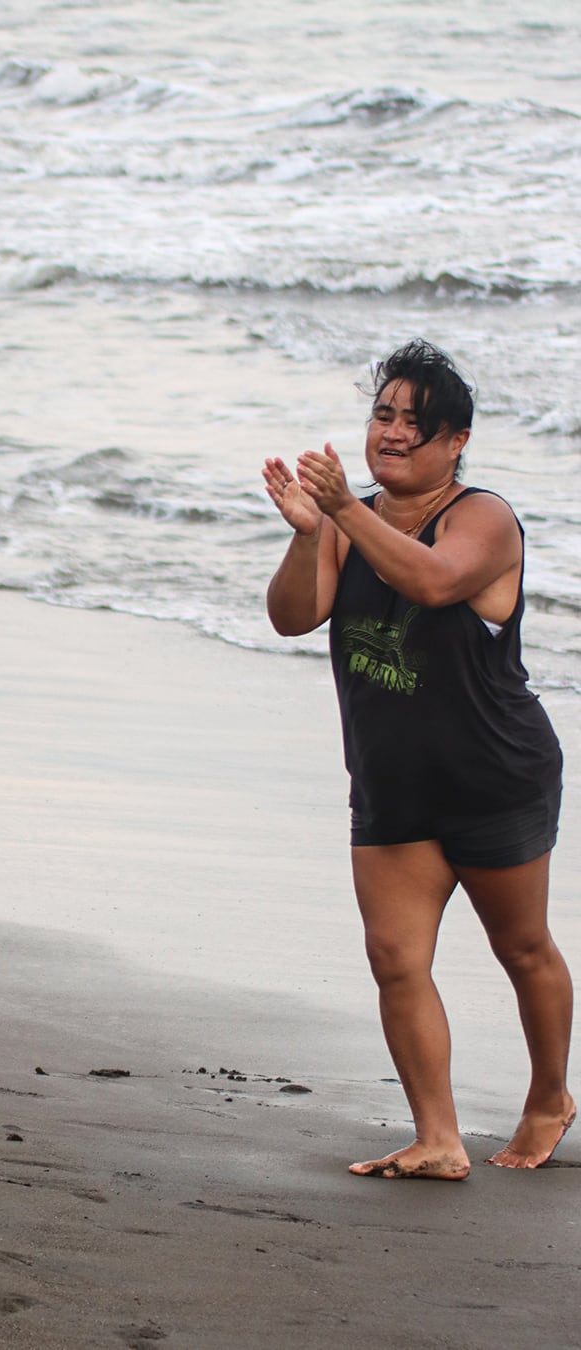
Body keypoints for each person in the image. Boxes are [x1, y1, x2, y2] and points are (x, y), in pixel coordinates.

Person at [262, 339, 574, 1180]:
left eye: (416, 423)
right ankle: (437, 1138)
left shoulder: (484, 519)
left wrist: (345, 510)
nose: (393, 433)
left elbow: (434, 582)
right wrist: (309, 534)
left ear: (456, 441)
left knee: (522, 948)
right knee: (396, 960)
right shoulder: (344, 520)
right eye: (383, 415)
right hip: (392, 780)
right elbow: (292, 617)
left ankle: (550, 1098)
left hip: (493, 775)